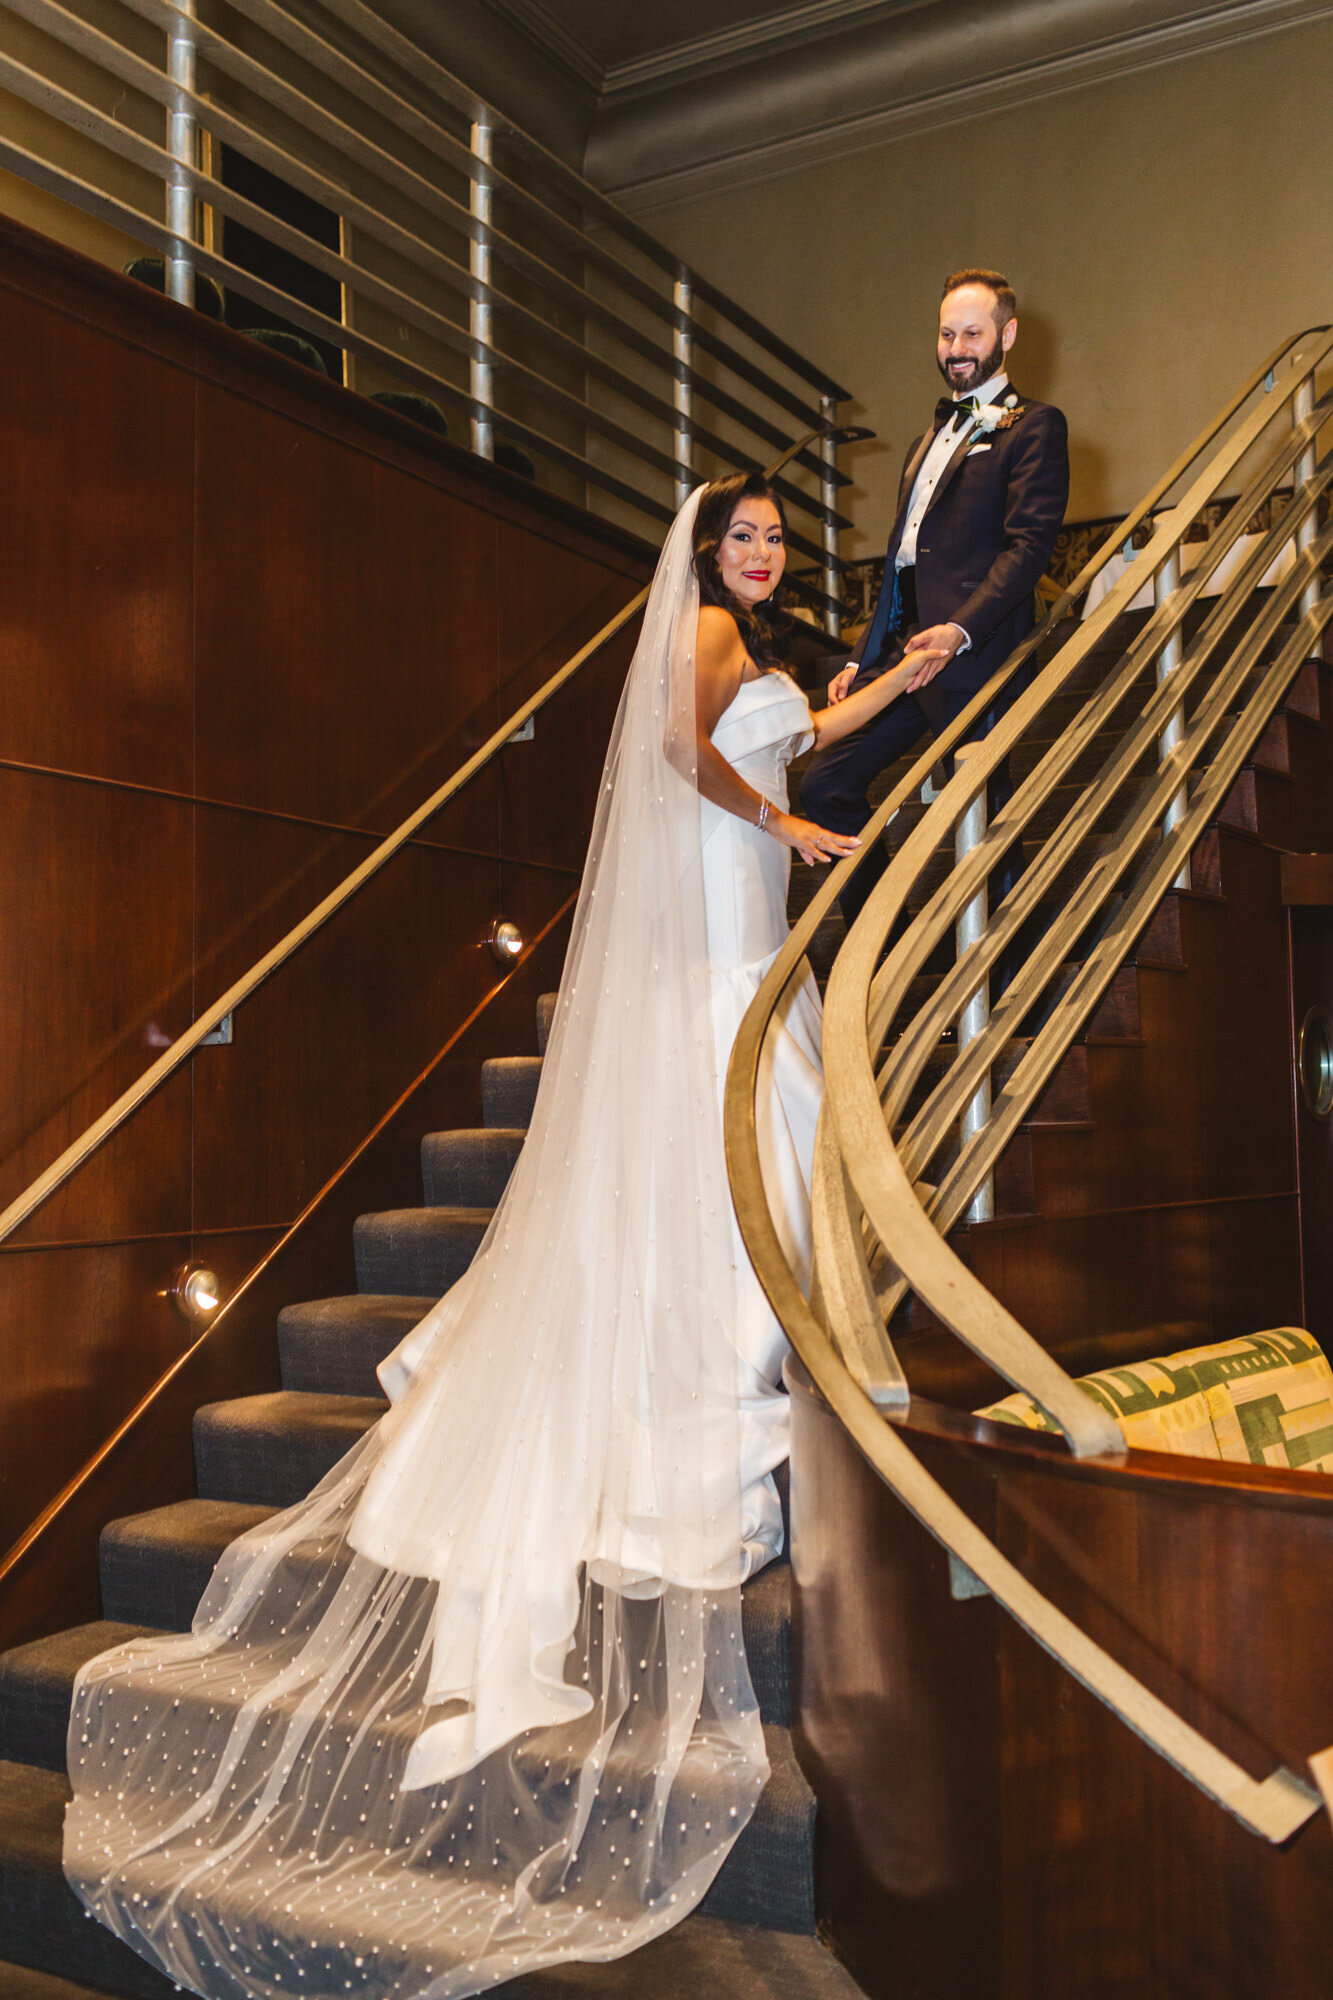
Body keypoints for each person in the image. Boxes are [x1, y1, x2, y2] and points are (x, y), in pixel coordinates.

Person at [62, 474, 944, 2000]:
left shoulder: (751, 651)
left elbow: (790, 736)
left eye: (775, 543)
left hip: (742, 916)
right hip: (722, 924)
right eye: (741, 540)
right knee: (744, 1116)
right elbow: (686, 758)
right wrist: (788, 817)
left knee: (771, 1107)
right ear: (702, 550)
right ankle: (733, 1338)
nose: (759, 556)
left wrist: (888, 694)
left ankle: (757, 1325)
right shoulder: (704, 653)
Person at [802, 268, 1070, 927]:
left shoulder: (1033, 425)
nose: (955, 348)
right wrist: (859, 660)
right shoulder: (924, 441)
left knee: (980, 820)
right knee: (824, 786)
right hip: (901, 656)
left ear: (1005, 335)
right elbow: (900, 563)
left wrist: (959, 630)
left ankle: (1012, 990)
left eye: (971, 334)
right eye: (946, 334)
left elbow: (1028, 547)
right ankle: (887, 943)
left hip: (973, 655)